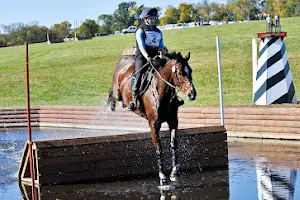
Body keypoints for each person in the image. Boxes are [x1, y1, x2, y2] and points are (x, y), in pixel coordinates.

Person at [127, 7, 168, 111]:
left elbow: (161, 45)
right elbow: (141, 46)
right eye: (151, 18)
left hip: (154, 57)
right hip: (142, 57)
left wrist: (166, 53)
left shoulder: (158, 31)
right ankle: (134, 98)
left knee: (166, 72)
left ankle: (172, 97)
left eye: (154, 17)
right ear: (145, 19)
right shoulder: (140, 30)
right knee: (139, 73)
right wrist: (147, 56)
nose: (153, 20)